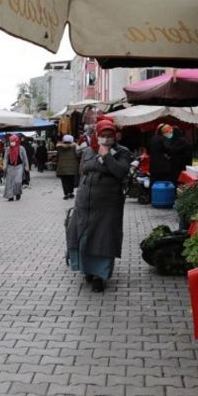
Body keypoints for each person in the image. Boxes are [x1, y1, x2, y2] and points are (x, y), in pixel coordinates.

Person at [66, 120, 133, 292]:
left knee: (103, 238)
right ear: (96, 134)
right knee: (83, 235)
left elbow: (120, 172)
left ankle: (99, 276)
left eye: (109, 135)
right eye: (102, 135)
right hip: (85, 202)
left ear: (115, 136)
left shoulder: (122, 152)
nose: (106, 138)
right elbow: (83, 172)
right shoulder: (88, 151)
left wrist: (106, 156)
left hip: (108, 204)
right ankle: (87, 270)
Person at [3, 134, 29, 201]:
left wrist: (26, 166)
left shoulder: (22, 148)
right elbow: (5, 158)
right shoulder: (8, 149)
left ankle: (18, 193)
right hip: (10, 167)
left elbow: (25, 158)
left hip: (19, 167)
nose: (12, 142)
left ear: (17, 140)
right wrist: (4, 165)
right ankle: (10, 196)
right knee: (9, 182)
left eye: (13, 141)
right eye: (11, 141)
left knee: (18, 181)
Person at [56, 134, 80, 199]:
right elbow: (78, 155)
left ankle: (66, 194)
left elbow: (57, 157)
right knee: (71, 180)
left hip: (62, 167)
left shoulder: (59, 147)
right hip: (72, 167)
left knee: (64, 181)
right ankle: (71, 193)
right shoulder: (75, 147)